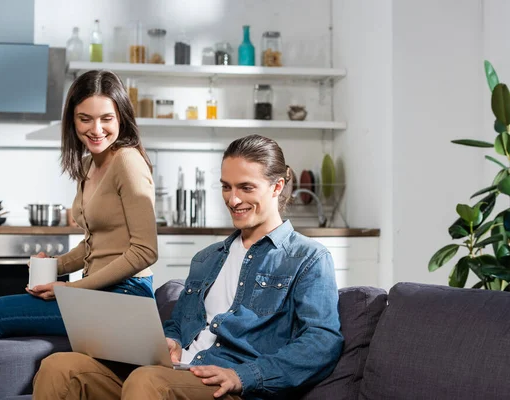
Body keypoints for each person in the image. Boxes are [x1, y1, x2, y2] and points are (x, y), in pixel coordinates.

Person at [33, 134, 343, 400]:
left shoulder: (308, 257)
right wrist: (171, 342)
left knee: (147, 381)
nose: (233, 200)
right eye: (226, 187)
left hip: (230, 386)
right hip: (176, 373)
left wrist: (244, 376)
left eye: (246, 188)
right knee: (60, 367)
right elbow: (179, 324)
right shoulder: (207, 258)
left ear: (277, 187)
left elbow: (322, 342)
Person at [0, 70, 159, 400]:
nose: (96, 129)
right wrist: (58, 265)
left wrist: (71, 289)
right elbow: (96, 244)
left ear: (121, 115)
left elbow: (145, 251)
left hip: (126, 298)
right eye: (84, 119)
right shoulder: (91, 165)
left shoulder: (128, 162)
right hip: (99, 294)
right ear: (72, 120)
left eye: (106, 118)